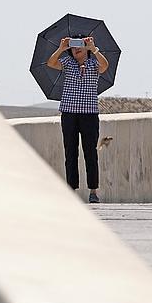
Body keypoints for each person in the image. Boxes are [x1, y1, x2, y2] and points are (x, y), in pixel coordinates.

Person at [46, 35, 109, 203]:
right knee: (70, 152)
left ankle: (93, 191)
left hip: (89, 114)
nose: (76, 49)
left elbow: (105, 66)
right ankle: (71, 189)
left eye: (79, 45)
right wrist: (61, 48)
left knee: (90, 153)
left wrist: (93, 49)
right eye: (73, 46)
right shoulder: (68, 63)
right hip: (69, 114)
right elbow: (51, 63)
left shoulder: (94, 63)